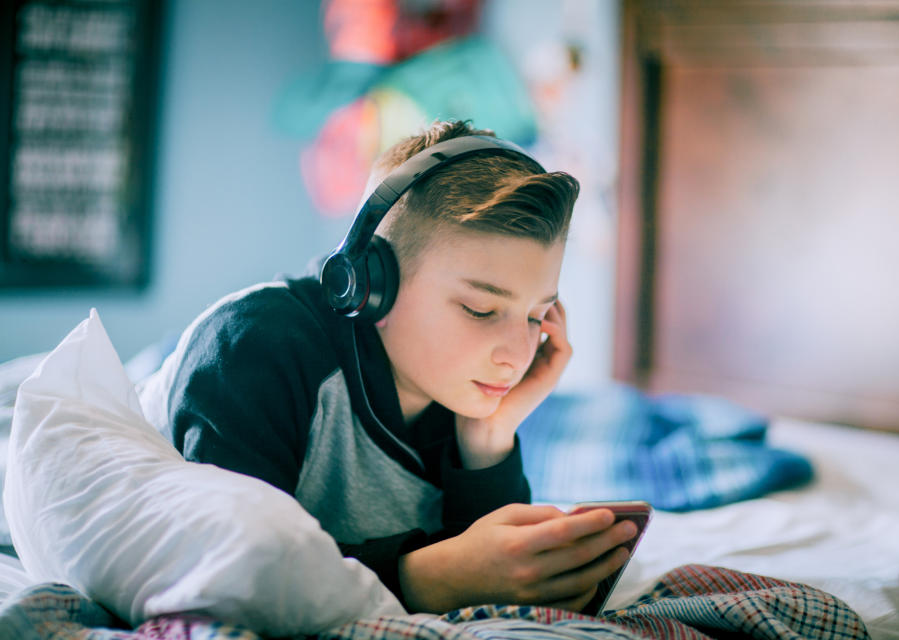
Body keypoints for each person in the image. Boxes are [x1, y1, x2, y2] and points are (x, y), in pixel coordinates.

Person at [139, 120, 637, 614]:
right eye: (480, 310)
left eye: (535, 315)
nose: (515, 354)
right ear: (368, 283)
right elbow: (227, 573)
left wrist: (488, 440)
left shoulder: (457, 391)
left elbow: (485, 580)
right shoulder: (252, 348)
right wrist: (427, 577)